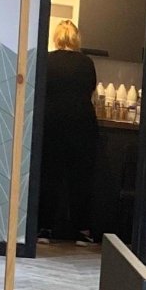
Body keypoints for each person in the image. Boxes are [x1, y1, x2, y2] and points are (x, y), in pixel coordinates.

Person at [40, 20, 101, 245]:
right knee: (80, 178)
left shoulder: (46, 60)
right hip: (81, 124)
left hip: (52, 123)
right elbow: (91, 92)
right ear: (76, 38)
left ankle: (44, 228)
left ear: (56, 37)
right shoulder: (86, 63)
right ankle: (81, 230)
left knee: (49, 175)